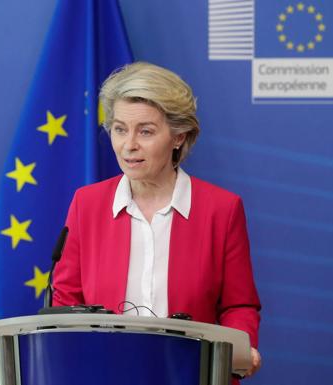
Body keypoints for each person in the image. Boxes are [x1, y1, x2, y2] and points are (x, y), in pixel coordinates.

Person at [52, 62, 261, 377]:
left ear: (178, 136)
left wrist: (241, 349)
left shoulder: (222, 209)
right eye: (120, 129)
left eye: (145, 131)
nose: (129, 145)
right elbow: (66, 300)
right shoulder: (88, 204)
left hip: (190, 374)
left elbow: (238, 306)